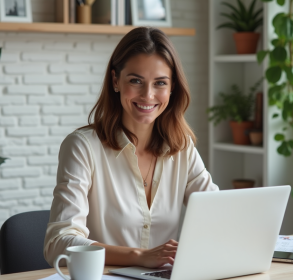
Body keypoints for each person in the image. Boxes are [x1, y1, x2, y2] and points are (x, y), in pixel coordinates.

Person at [44, 27, 219, 268]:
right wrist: (139, 256)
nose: (148, 95)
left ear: (172, 88)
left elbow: (218, 214)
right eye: (136, 81)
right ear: (115, 80)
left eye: (160, 83)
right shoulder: (83, 147)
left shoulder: (181, 147)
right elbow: (59, 243)